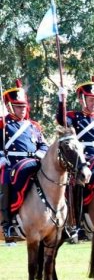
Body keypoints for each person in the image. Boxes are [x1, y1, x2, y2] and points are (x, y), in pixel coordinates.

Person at [56, 76, 94, 239]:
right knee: (81, 180)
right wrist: (61, 101)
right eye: (91, 100)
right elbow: (61, 121)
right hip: (83, 159)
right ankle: (79, 222)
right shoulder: (73, 117)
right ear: (82, 100)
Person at [1, 79, 49, 241]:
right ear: (9, 106)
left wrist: (40, 154)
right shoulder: (3, 125)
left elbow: (43, 145)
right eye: (18, 106)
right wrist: (1, 157)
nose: (22, 110)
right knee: (5, 179)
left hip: (34, 163)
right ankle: (7, 223)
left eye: (24, 106)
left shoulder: (32, 126)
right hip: (11, 164)